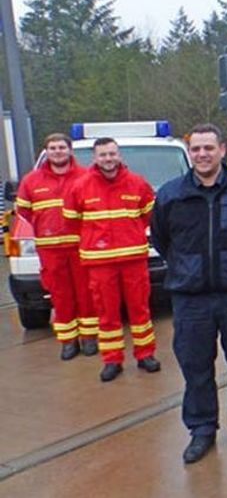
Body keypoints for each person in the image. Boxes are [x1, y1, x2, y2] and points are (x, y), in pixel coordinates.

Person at [151, 124, 227, 464]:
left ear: (222, 149)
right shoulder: (171, 194)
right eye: (196, 149)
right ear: (189, 153)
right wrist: (185, 267)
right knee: (195, 367)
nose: (202, 155)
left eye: (209, 148)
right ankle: (202, 429)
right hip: (191, 298)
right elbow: (161, 239)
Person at [63, 137, 160, 382]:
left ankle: (145, 354)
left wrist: (130, 236)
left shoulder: (138, 184)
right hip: (99, 262)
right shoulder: (80, 187)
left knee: (140, 309)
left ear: (119, 155)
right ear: (95, 158)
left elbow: (149, 216)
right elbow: (72, 222)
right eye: (103, 155)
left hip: (133, 259)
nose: (108, 159)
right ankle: (112, 360)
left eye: (112, 154)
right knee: (106, 313)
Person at [16, 133, 97, 360]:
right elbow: (24, 210)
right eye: (53, 148)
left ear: (69, 150)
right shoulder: (31, 180)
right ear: (46, 151)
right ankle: (68, 341)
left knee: (86, 294)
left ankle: (89, 338)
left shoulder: (86, 176)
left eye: (61, 147)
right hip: (50, 249)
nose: (57, 151)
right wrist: (44, 226)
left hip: (80, 247)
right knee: (60, 296)